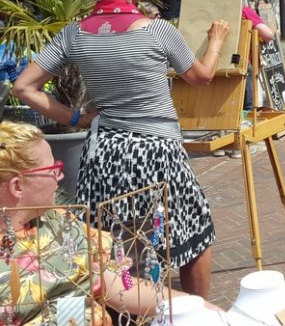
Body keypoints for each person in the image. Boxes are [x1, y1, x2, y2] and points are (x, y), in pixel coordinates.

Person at [13, 0, 229, 298]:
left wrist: (78, 118)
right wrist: (216, 40)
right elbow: (202, 76)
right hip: (156, 151)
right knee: (194, 234)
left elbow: (23, 87)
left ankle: (127, 311)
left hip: (103, 153)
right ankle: (196, 314)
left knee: (115, 246)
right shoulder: (158, 32)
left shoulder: (74, 34)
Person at [0, 121, 220, 324]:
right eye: (52, 170)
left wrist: (196, 306)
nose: (60, 176)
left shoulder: (56, 220)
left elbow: (112, 284)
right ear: (17, 186)